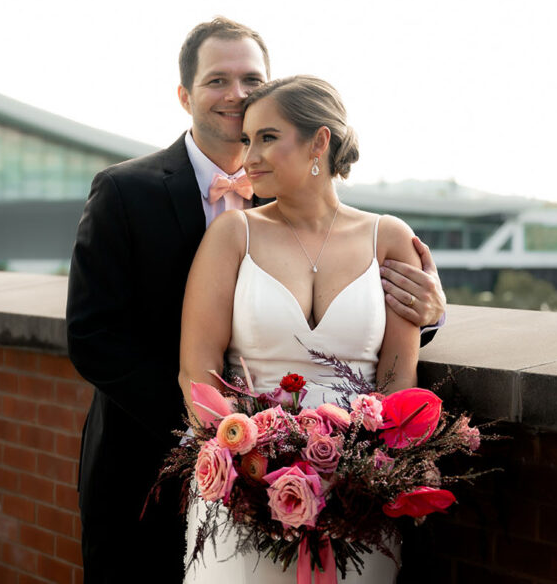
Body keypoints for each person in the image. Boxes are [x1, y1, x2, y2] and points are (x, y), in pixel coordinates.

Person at [67, 19, 445, 583]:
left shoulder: (362, 227)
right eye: (217, 79)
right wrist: (238, 448)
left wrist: (431, 313)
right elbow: (93, 338)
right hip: (147, 461)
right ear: (184, 95)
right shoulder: (126, 191)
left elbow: (380, 344)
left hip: (343, 488)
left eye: (251, 79)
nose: (236, 95)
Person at [179, 75, 419, 582]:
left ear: (319, 141)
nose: (251, 156)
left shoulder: (389, 238)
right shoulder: (233, 235)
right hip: (245, 497)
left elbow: (399, 382)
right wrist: (245, 475)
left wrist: (363, 478)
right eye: (247, 140)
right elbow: (196, 373)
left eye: (267, 137)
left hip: (358, 503)